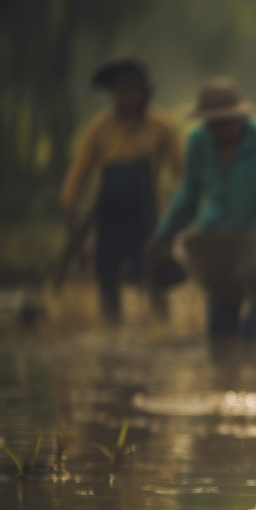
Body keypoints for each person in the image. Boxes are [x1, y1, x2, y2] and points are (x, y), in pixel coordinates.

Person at [151, 77, 256, 353]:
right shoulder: (198, 143)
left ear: (240, 116)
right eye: (213, 124)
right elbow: (188, 196)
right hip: (216, 245)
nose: (220, 130)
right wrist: (163, 233)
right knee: (220, 329)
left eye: (226, 122)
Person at [60, 54, 183, 323]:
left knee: (154, 276)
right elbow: (77, 174)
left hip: (148, 216)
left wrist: (183, 212)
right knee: (107, 274)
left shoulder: (162, 127)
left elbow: (182, 174)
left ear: (143, 92)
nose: (125, 96)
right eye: (119, 90)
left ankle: (161, 328)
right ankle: (111, 328)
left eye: (131, 89)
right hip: (108, 216)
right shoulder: (99, 129)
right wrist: (70, 206)